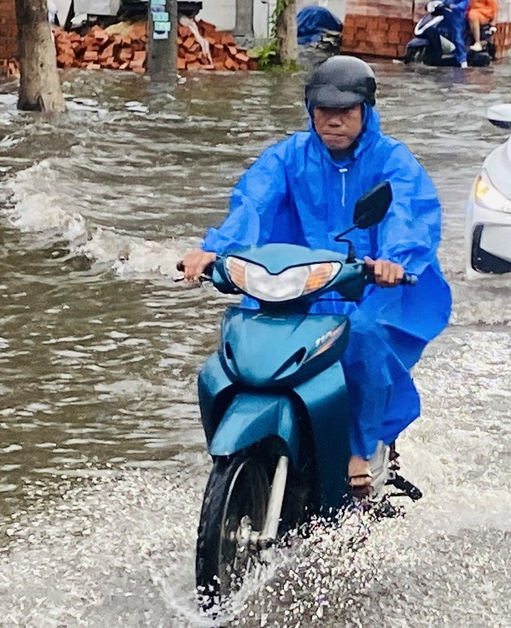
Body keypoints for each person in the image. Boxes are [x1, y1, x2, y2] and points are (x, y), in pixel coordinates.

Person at [180, 56, 453, 496]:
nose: (334, 120)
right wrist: (214, 250)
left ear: (366, 111)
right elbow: (253, 203)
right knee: (249, 335)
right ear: (310, 110)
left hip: (369, 287)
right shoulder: (287, 157)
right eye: (324, 110)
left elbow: (409, 212)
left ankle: (360, 449)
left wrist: (393, 261)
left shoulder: (392, 160)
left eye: (345, 111)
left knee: (362, 332)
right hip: (298, 285)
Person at [443, 0, 471, 66]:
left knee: (457, 37)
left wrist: (455, 6)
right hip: (444, 14)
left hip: (456, 16)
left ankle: (463, 60)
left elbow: (465, 2)